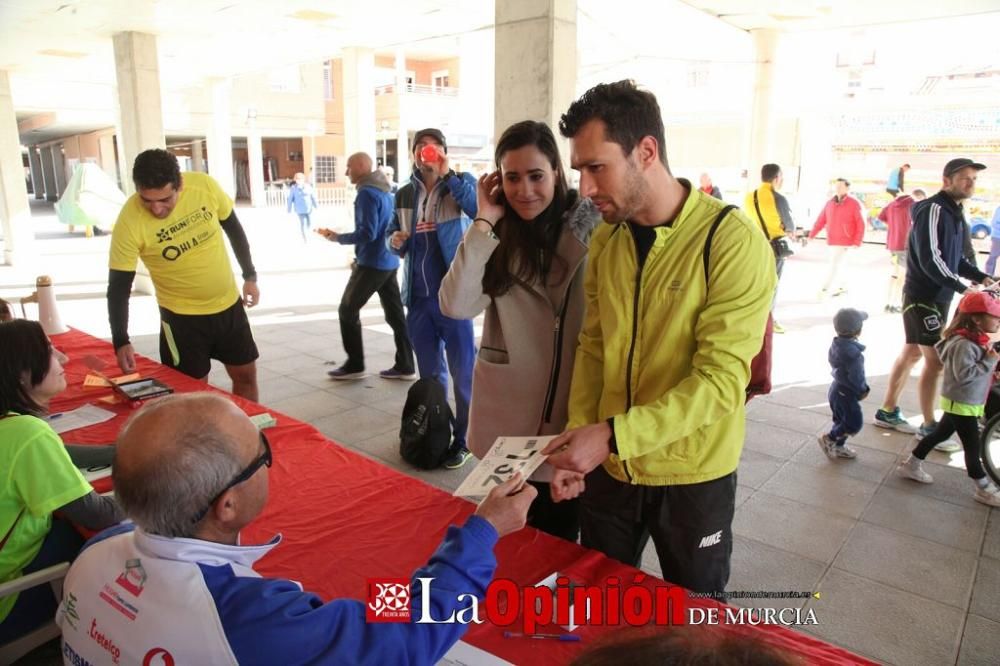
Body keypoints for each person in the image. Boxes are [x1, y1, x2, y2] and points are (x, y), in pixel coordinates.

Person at [56, 393, 536, 664]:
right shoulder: (253, 620)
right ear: (227, 505)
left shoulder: (96, 550)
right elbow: (410, 637)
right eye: (262, 456)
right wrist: (483, 531)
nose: (271, 463)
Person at [541, 80, 775, 594]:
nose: (585, 188)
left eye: (596, 167)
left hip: (693, 476)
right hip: (611, 468)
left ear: (646, 151)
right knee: (603, 601)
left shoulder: (731, 242)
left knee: (696, 620)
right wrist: (579, 440)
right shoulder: (608, 238)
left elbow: (720, 382)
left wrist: (613, 435)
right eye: (579, 170)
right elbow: (594, 348)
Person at [439, 120, 600, 541]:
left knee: (559, 541)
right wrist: (483, 222)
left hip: (569, 413)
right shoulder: (494, 235)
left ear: (556, 173)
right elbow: (455, 305)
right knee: (505, 540)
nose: (524, 190)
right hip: (507, 419)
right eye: (512, 178)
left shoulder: (592, 231)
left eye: (536, 176)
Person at [0, 320, 123, 644]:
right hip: (7, 602)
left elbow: (58, 451)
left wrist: (120, 452)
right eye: (51, 352)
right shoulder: (28, 433)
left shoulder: (13, 428)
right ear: (22, 375)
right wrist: (166, 490)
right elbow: (102, 515)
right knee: (114, 547)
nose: (64, 358)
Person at [107, 149, 262, 401]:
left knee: (245, 377)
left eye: (165, 199)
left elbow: (234, 229)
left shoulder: (204, 187)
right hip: (182, 321)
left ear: (179, 185)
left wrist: (250, 276)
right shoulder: (129, 220)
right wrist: (120, 339)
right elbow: (119, 286)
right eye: (147, 200)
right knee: (191, 395)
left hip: (228, 307)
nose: (156, 209)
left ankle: (247, 436)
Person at [875, 158, 994, 447]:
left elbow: (957, 260)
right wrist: (961, 288)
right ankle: (929, 427)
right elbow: (931, 259)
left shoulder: (956, 213)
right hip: (922, 297)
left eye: (973, 179)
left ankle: (887, 410)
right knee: (936, 360)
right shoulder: (932, 209)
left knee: (913, 353)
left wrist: (982, 277)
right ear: (946, 180)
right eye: (964, 178)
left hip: (939, 295)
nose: (970, 183)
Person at [388, 128, 477, 469]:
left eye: (433, 148)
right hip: (419, 300)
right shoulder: (404, 194)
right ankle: (440, 431)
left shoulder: (459, 183)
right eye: (420, 149)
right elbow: (391, 238)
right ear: (412, 154)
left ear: (442, 151)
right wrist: (394, 242)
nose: (426, 153)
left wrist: (448, 174)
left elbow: (478, 207)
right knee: (431, 376)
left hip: (454, 296)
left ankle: (465, 440)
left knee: (463, 374)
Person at [317, 153, 415, 381]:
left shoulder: (366, 193)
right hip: (389, 260)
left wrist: (337, 238)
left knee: (347, 310)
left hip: (372, 263)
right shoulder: (384, 189)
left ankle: (355, 365)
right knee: (396, 315)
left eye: (349, 167)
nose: (346, 172)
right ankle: (406, 365)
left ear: (361, 167)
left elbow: (367, 233)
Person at [897, 291, 1000, 507]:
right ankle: (983, 487)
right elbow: (964, 376)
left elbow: (972, 371)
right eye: (994, 316)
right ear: (976, 319)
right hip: (961, 403)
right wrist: (989, 363)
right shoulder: (964, 344)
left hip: (965, 403)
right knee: (973, 448)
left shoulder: (975, 340)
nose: (998, 320)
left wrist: (989, 367)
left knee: (938, 434)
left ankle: (911, 464)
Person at [744, 163, 795, 334]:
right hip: (775, 247)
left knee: (757, 283)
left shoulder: (749, 197)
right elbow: (789, 226)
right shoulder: (778, 198)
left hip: (756, 246)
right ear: (776, 178)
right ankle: (768, 321)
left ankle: (752, 317)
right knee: (772, 285)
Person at [817, 308, 869, 460]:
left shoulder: (836, 344)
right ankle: (830, 439)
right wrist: (863, 389)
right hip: (846, 392)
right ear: (858, 331)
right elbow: (856, 377)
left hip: (836, 389)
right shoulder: (855, 354)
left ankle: (838, 446)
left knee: (841, 421)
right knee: (853, 423)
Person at [808, 178, 866, 299]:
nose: (838, 188)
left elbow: (861, 223)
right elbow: (821, 220)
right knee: (840, 264)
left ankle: (825, 289)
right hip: (833, 240)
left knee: (834, 264)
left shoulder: (854, 203)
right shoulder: (830, 203)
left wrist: (857, 241)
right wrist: (812, 234)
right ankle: (843, 286)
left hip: (846, 241)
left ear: (847, 188)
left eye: (840, 186)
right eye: (836, 186)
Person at [878, 188, 926, 313]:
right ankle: (896, 304)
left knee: (895, 274)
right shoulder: (914, 205)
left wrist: (894, 227)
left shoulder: (892, 203)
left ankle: (888, 303)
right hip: (905, 245)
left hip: (892, 244)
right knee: (902, 276)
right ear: (920, 197)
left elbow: (881, 217)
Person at [286, 172, 319, 242]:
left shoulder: (308, 187)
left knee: (310, 223)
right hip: (300, 210)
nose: (299, 180)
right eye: (297, 179)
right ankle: (305, 239)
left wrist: (316, 205)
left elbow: (313, 197)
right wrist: (289, 209)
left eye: (300, 179)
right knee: (303, 224)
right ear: (295, 180)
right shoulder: (293, 188)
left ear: (303, 179)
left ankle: (310, 235)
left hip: (309, 209)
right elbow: (290, 199)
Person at [985, 204, 1000, 276]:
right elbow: (994, 223)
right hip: (998, 237)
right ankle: (988, 275)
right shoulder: (999, 209)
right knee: (993, 256)